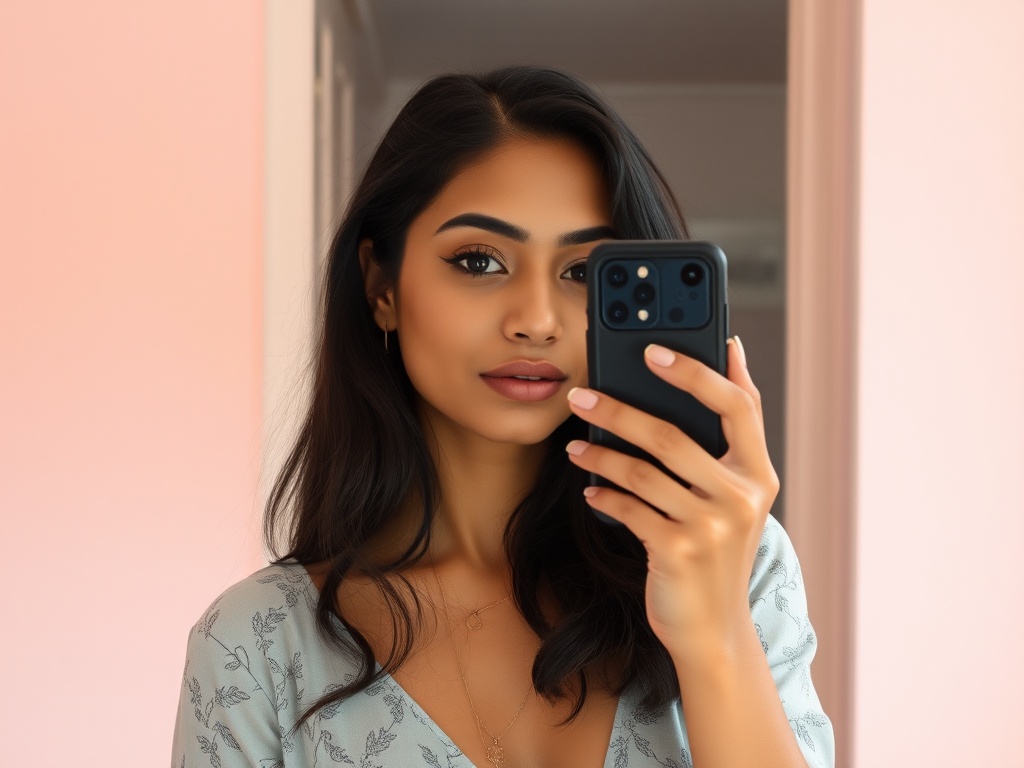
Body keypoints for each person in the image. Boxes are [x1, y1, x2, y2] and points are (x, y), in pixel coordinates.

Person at [172, 66, 834, 768]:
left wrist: (714, 635)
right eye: (480, 260)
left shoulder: (736, 565)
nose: (537, 321)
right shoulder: (254, 646)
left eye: (583, 272)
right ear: (381, 287)